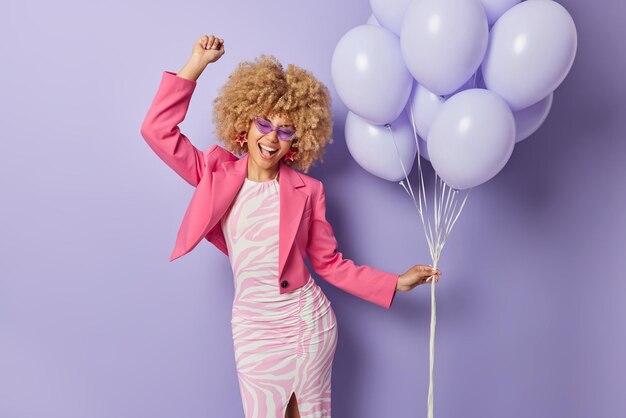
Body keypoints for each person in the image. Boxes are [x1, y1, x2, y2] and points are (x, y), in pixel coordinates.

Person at [140, 34, 442, 418]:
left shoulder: (308, 190)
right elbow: (157, 131)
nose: (271, 138)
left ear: (297, 140)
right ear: (244, 124)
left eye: (285, 130)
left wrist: (396, 282)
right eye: (264, 123)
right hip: (251, 328)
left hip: (305, 324)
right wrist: (196, 64)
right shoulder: (213, 172)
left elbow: (329, 263)